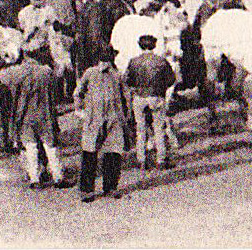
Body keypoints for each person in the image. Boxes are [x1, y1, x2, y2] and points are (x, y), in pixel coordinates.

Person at [1, 47, 68, 188]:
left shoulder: (17, 72)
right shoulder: (46, 71)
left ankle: (34, 179)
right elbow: (59, 76)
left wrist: (5, 61)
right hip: (45, 114)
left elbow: (1, 77)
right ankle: (58, 177)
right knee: (51, 147)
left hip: (25, 116)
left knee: (30, 148)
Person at [75, 50, 133, 201]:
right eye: (103, 58)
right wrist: (79, 111)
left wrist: (126, 116)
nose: (106, 62)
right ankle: (87, 191)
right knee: (89, 153)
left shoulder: (117, 75)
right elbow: (78, 92)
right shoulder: (90, 73)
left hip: (113, 118)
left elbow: (126, 96)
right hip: (94, 118)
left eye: (108, 58)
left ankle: (110, 187)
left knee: (113, 152)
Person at [125, 34, 177, 169]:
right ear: (154, 45)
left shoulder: (133, 61)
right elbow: (171, 79)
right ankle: (161, 160)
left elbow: (127, 80)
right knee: (159, 129)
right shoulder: (161, 61)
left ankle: (141, 160)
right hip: (156, 96)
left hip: (139, 97)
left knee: (140, 130)